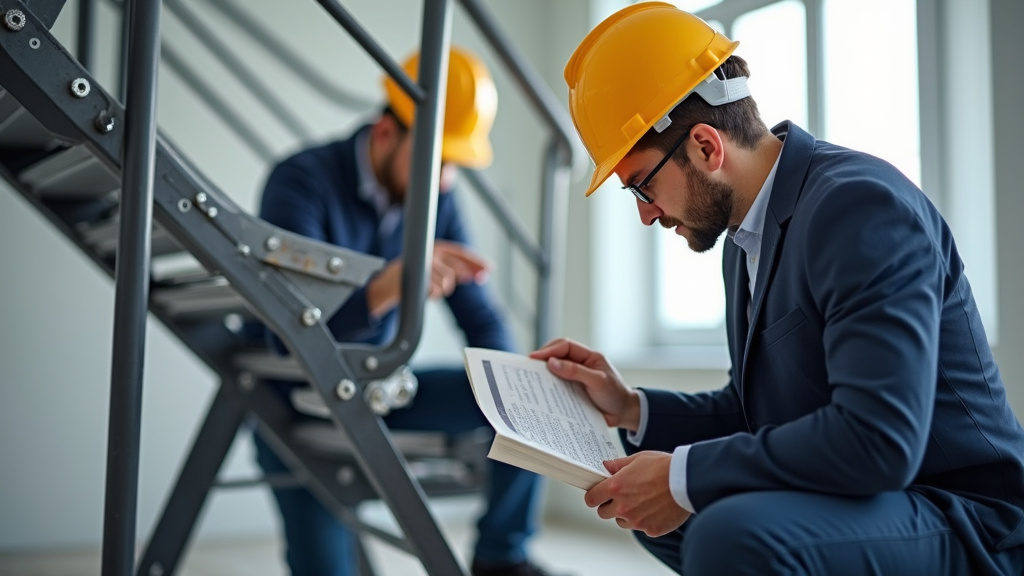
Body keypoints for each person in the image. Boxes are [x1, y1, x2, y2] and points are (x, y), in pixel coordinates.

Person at [531, 3, 1024, 575]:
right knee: (656, 507)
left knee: (727, 531)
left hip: (967, 518)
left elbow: (879, 439)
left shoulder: (859, 208)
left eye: (643, 187)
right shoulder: (744, 239)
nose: (646, 216)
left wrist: (683, 477)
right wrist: (629, 407)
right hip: (884, 502)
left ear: (706, 147)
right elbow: (752, 411)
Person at [255, 46, 555, 576]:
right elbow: (288, 334)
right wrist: (390, 285)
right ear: (387, 134)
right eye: (438, 161)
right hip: (297, 404)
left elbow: (480, 317)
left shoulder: (435, 196)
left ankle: (501, 560)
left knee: (535, 395)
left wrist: (517, 388)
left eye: (454, 165)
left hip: (380, 392)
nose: (445, 181)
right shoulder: (299, 182)